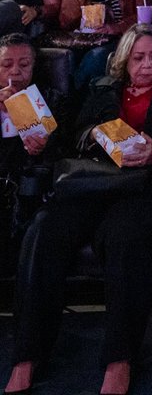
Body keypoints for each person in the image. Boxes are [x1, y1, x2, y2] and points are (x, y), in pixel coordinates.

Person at [4, 25, 152, 395]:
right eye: (139, 58)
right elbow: (68, 136)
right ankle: (26, 356)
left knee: (126, 237)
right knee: (42, 232)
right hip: (89, 182)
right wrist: (94, 134)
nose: (146, 66)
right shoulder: (99, 87)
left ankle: (119, 359)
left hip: (140, 188)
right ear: (124, 59)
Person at [0, 34, 65, 273]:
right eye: (6, 65)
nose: (15, 72)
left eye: (24, 65)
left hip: (32, 190)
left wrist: (45, 144)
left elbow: (64, 148)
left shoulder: (52, 99)